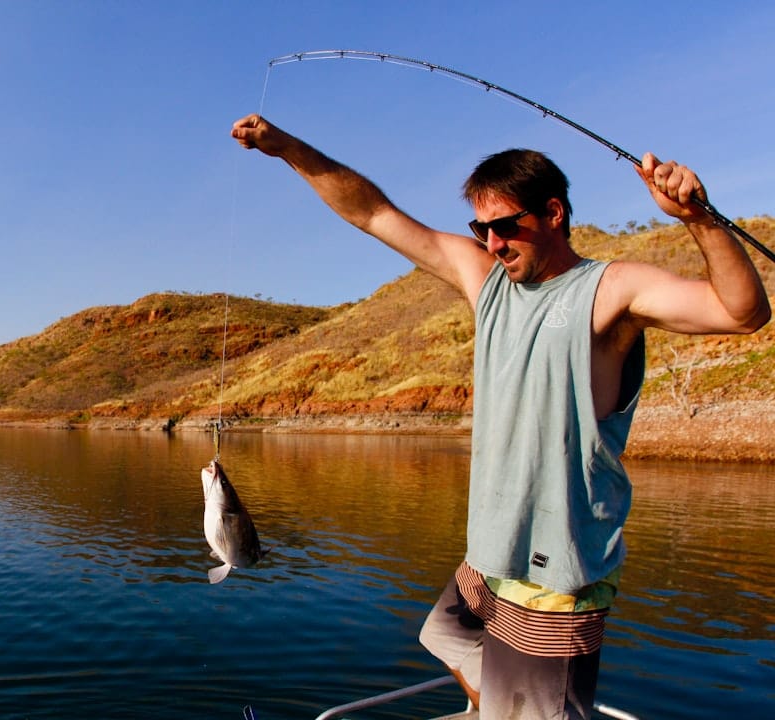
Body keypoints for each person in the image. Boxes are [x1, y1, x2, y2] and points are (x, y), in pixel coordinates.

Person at [231, 113, 770, 719]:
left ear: (554, 213)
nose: (492, 243)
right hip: (488, 556)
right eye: (480, 228)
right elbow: (372, 213)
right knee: (446, 636)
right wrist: (286, 149)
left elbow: (741, 312)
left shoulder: (611, 291)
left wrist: (700, 220)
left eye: (507, 227)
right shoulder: (485, 280)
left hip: (554, 573)